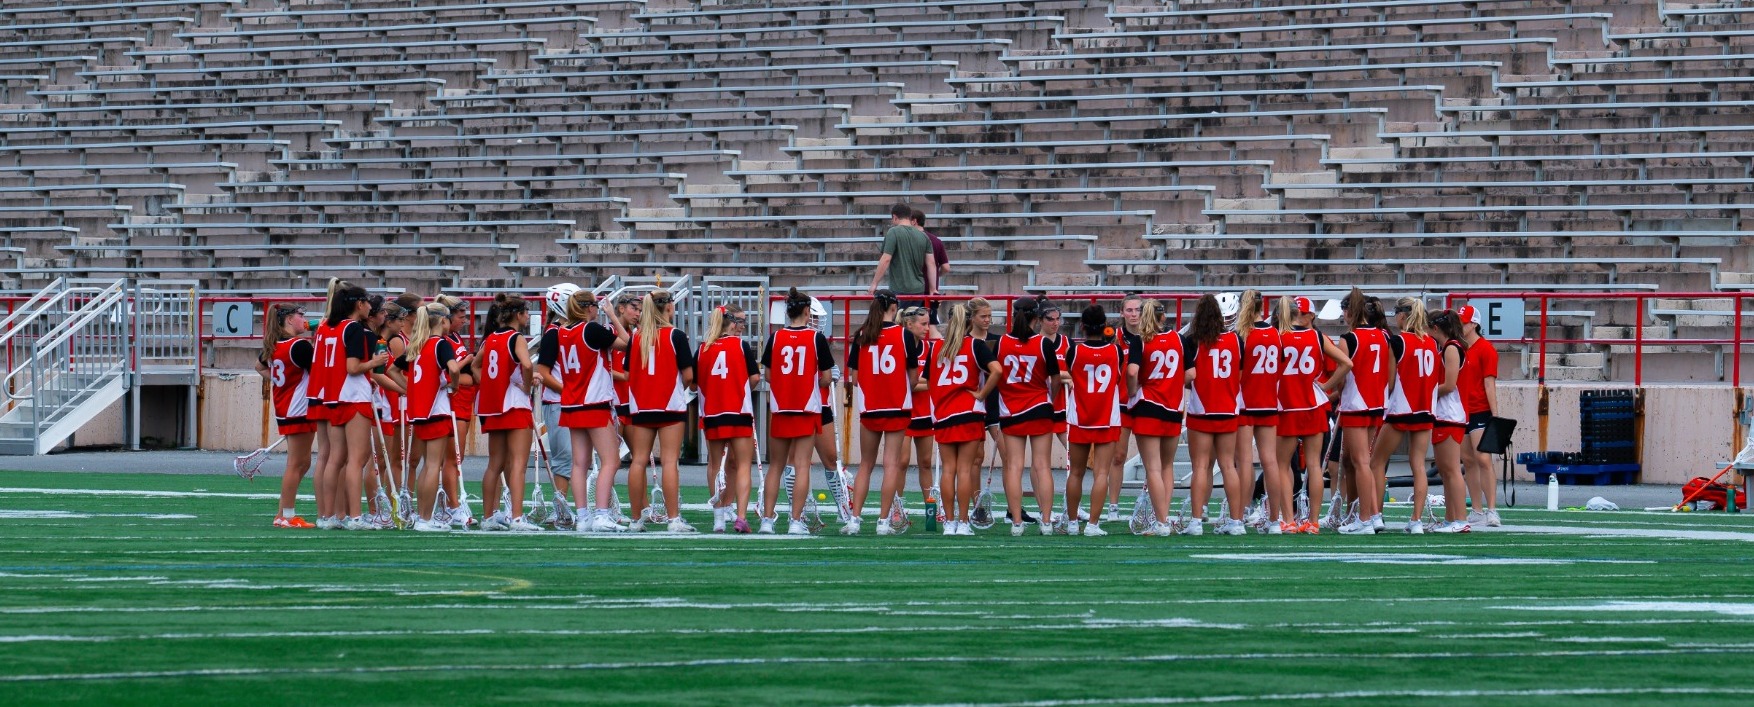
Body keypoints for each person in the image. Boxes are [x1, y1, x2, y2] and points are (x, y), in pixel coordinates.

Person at [547, 290, 630, 532]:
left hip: (571, 403)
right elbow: (627, 344)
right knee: (611, 460)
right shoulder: (590, 329)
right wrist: (613, 316)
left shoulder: (561, 331)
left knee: (579, 464)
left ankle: (583, 517)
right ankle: (602, 514)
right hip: (593, 402)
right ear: (589, 308)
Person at [846, 290, 923, 535]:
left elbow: (855, 379)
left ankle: (855, 520)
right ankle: (882, 521)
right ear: (894, 308)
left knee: (865, 464)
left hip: (871, 407)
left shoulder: (862, 335)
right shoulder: (904, 335)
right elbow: (913, 378)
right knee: (891, 464)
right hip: (897, 406)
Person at [1273, 296, 1351, 534]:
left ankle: (1289, 519)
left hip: (1287, 405)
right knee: (1316, 466)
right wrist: (1324, 388)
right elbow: (1346, 363)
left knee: (1283, 465)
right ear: (1304, 314)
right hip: (1313, 405)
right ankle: (1314, 522)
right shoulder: (1317, 336)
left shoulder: (1279, 337)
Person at [761, 288, 835, 535]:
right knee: (802, 465)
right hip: (807, 407)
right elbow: (825, 378)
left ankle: (767, 521)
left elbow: (769, 375)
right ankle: (795, 521)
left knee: (776, 466)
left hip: (781, 407)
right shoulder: (816, 339)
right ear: (806, 311)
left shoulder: (775, 337)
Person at [626, 290, 697, 532]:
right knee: (669, 462)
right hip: (669, 405)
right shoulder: (675, 335)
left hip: (641, 405)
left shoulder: (636, 337)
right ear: (668, 308)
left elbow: (628, 374)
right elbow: (688, 376)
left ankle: (636, 519)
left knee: (638, 461)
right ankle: (673, 519)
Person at [321, 281, 389, 531]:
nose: (370, 307)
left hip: (334, 396)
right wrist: (375, 362)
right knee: (356, 461)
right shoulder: (354, 330)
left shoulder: (332, 326)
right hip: (353, 396)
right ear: (359, 305)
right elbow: (352, 368)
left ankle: (329, 516)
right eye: (367, 302)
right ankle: (356, 517)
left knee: (335, 459)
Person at [930, 301, 1001, 535]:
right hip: (968, 412)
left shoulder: (937, 348)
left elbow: (928, 381)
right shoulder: (975, 345)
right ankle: (962, 522)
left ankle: (948, 523)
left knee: (948, 470)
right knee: (964, 469)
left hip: (943, 413)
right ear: (970, 320)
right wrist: (981, 394)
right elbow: (998, 371)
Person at [401, 303, 473, 532]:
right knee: (433, 465)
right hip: (436, 409)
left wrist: (411, 388)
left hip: (420, 410)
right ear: (442, 321)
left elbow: (393, 369)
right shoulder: (440, 344)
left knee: (426, 466)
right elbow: (453, 369)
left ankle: (423, 516)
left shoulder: (418, 344)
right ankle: (425, 518)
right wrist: (453, 386)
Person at [473, 294, 541, 532]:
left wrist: (489, 385)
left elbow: (475, 365)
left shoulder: (490, 338)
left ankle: (488, 517)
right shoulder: (516, 337)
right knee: (518, 465)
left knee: (495, 465)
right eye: (526, 313)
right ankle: (517, 517)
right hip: (514, 404)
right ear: (519, 315)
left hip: (493, 406)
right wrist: (526, 384)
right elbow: (528, 364)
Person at [1373, 297, 1439, 534]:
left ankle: (1376, 515)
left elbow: (1390, 382)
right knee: (1419, 465)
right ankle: (1416, 520)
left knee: (1376, 463)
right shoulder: (1432, 343)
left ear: (1402, 315)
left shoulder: (1398, 341)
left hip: (1401, 409)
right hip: (1425, 410)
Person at [995, 296, 1060, 536]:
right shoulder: (1044, 344)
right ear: (1036, 317)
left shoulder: (1001, 343)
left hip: (1011, 410)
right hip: (1039, 407)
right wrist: (1048, 398)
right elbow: (1055, 379)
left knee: (1014, 466)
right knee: (1042, 465)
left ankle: (1017, 524)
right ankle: (1046, 521)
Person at [1336, 289, 1398, 535]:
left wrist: (1329, 389)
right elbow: (1390, 377)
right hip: (1376, 402)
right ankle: (1374, 514)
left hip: (1356, 404)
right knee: (1368, 462)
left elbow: (1342, 377)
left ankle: (1364, 519)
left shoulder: (1348, 339)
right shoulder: (1384, 336)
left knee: (1361, 462)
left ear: (1350, 312)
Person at [1184, 294, 1245, 536]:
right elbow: (1238, 376)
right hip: (1228, 409)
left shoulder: (1193, 341)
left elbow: (1190, 378)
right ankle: (1236, 521)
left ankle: (1197, 521)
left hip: (1202, 410)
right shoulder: (1237, 341)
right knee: (1228, 466)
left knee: (1200, 466)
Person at [698, 304, 760, 534]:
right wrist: (739, 388)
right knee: (743, 465)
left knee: (715, 465)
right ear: (731, 322)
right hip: (738, 412)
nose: (742, 326)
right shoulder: (741, 346)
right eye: (740, 322)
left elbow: (695, 383)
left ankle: (718, 518)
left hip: (713, 414)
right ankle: (741, 517)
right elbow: (754, 377)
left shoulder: (703, 348)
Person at [1062, 305, 1123, 537]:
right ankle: (1093, 525)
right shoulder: (1115, 352)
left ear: (1083, 326)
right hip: (1107, 417)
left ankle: (1072, 522)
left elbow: (1070, 372)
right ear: (1105, 325)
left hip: (1080, 417)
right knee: (1101, 473)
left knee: (1076, 473)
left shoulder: (1074, 351)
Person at [257, 303, 316, 528]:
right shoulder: (299, 345)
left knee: (303, 463)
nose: (305, 319)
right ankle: (287, 516)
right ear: (289, 319)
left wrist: (280, 379)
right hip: (297, 408)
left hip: (287, 407)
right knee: (296, 463)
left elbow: (258, 366)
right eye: (301, 315)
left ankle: (282, 512)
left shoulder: (275, 345)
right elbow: (318, 370)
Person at [1133, 299, 1187, 537]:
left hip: (1148, 406)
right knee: (1167, 466)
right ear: (1163, 317)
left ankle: (1162, 521)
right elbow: (1191, 373)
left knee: (1153, 468)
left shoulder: (1140, 340)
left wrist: (1132, 390)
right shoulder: (1178, 339)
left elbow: (1132, 372)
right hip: (1173, 407)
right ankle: (1163, 518)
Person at [1233, 290, 1286, 533]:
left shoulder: (1242, 334)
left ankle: (1242, 513)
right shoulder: (1276, 332)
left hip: (1246, 403)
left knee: (1244, 461)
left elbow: (1239, 374)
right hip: (1269, 402)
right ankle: (1274, 519)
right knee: (1271, 461)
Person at [1428, 309, 1474, 533]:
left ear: (1435, 328)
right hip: (1444, 414)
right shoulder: (1448, 348)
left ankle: (1461, 519)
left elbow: (1450, 384)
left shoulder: (1452, 348)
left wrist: (1426, 392)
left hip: (1450, 414)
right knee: (1446, 471)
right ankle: (1450, 518)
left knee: (1452, 469)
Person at [1458, 304, 1502, 528]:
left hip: (1479, 409)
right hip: (1461, 409)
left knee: (1483, 459)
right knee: (1468, 460)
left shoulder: (1485, 349)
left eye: (1464, 322)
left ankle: (1492, 509)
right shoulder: (1458, 347)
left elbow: (1489, 383)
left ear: (1474, 324)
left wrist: (1495, 415)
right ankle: (1476, 509)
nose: (1461, 326)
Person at [535, 284, 579, 509]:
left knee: (576, 458)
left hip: (569, 401)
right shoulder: (554, 333)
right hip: (558, 402)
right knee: (564, 459)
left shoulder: (569, 330)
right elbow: (543, 372)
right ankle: (560, 508)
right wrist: (571, 392)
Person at [435, 293, 477, 527]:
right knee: (452, 459)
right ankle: (452, 507)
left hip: (463, 403)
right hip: (454, 404)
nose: (465, 320)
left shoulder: (455, 338)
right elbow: (451, 377)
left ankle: (447, 505)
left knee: (453, 459)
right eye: (461, 316)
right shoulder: (444, 342)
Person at [901, 306, 940, 501]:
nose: (927, 328)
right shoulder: (900, 347)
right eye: (923, 324)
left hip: (925, 412)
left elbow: (933, 380)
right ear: (909, 324)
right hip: (905, 412)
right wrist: (925, 384)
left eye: (928, 324)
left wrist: (918, 384)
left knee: (925, 462)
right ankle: (896, 507)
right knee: (902, 462)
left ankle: (930, 505)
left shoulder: (930, 349)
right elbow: (905, 384)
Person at [869, 203, 937, 305]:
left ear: (895, 217)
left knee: (899, 319)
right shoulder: (924, 237)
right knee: (913, 320)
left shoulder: (893, 232)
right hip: (918, 290)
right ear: (909, 217)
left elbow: (886, 259)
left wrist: (874, 284)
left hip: (899, 289)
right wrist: (933, 289)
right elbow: (931, 264)